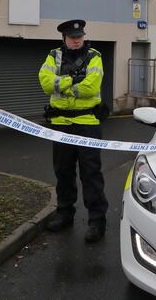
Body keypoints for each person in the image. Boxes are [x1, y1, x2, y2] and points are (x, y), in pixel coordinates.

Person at [38, 19, 108, 243]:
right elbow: (46, 84)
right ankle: (64, 213)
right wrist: (72, 80)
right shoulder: (53, 56)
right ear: (64, 38)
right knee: (63, 172)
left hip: (87, 122)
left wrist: (63, 85)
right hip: (60, 124)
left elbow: (92, 87)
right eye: (72, 38)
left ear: (84, 37)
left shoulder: (94, 55)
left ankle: (96, 221)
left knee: (91, 174)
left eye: (79, 38)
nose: (76, 42)